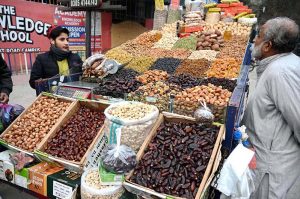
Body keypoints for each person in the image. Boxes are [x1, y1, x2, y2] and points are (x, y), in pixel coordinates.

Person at [241, 17, 300, 199]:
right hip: (267, 159)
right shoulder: (283, 64)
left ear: (267, 46)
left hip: (272, 168)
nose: (253, 41)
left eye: (258, 36)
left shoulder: (280, 73)